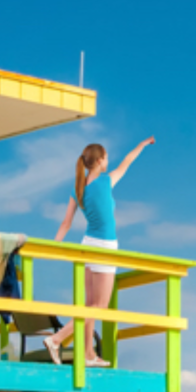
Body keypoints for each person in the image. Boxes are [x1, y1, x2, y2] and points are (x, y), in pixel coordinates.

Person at [46, 138, 153, 368]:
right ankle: (57, 339)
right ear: (101, 160)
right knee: (99, 305)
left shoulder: (78, 188)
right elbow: (128, 161)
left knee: (90, 305)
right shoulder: (105, 182)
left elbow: (65, 223)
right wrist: (142, 145)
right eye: (106, 157)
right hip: (104, 246)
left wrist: (53, 246)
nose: (108, 161)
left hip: (87, 245)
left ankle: (88, 354)